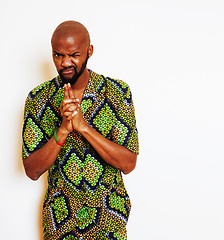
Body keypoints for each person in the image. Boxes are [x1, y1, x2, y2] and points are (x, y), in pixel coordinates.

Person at [22, 20, 139, 240]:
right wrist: (64, 129)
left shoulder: (117, 92)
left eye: (74, 54)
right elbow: (32, 170)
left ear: (89, 51)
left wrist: (83, 128)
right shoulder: (38, 99)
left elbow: (129, 163)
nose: (65, 62)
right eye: (57, 55)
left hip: (109, 220)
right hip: (61, 222)